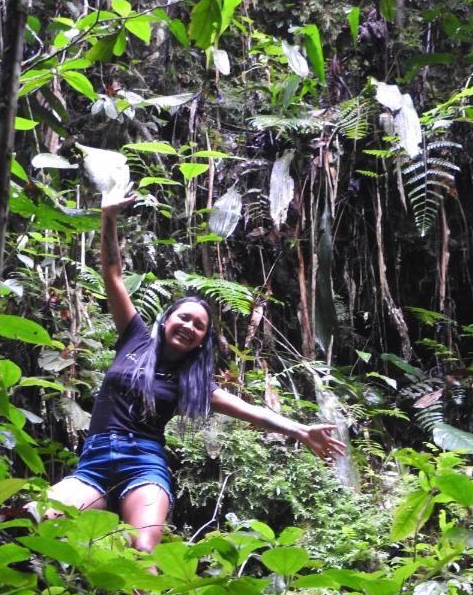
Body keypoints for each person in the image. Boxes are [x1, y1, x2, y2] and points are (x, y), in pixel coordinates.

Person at [35, 197, 346, 553]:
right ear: (166, 320)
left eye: (199, 326)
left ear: (201, 342)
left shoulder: (193, 385)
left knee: (144, 548)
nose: (188, 326)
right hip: (94, 464)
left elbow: (253, 412)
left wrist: (302, 430)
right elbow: (113, 273)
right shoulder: (133, 338)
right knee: (39, 515)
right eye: (183, 317)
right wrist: (109, 217)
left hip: (144, 465)